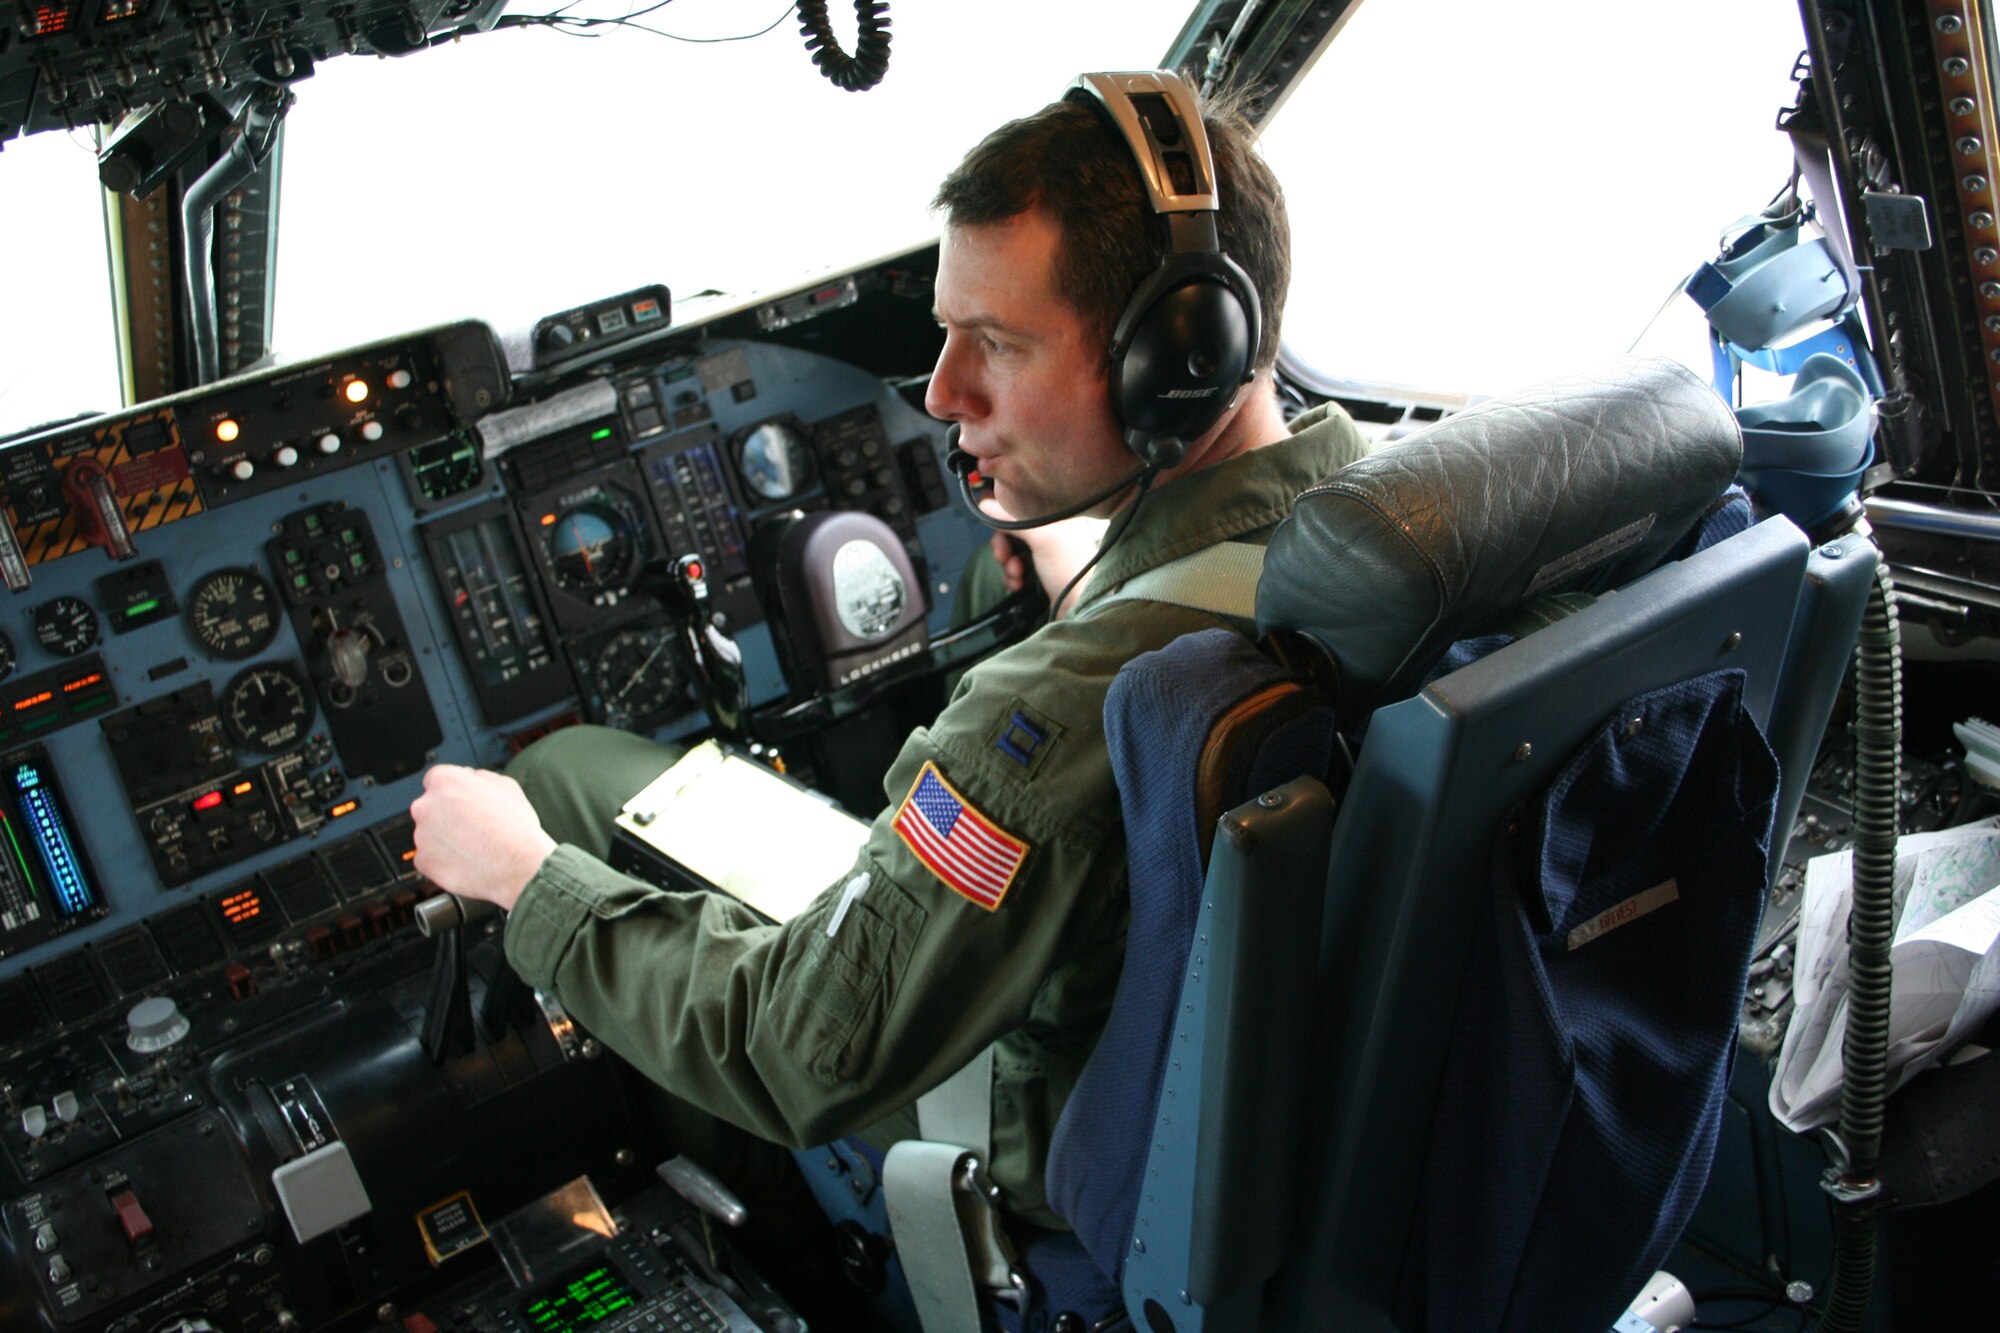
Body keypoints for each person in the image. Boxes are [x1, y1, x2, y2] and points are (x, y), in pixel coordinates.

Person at [409, 76, 1372, 1233]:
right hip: (1301, 1097)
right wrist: (1110, 568)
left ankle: (794, 1257)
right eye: (943, 333)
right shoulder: (1403, 517)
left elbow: (789, 1048)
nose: (940, 392)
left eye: (996, 346)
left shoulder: (1061, 706)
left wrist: (520, 877)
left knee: (565, 774)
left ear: (1177, 362)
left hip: (1055, 1138)